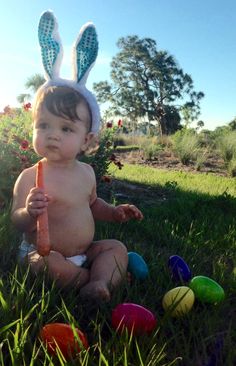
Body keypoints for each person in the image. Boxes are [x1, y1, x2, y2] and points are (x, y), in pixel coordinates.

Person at [11, 11, 143, 302]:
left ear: (87, 139)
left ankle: (96, 280)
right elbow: (16, 220)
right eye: (43, 125)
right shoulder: (30, 176)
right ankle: (95, 282)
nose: (53, 134)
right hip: (46, 254)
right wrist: (28, 213)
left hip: (84, 251)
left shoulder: (86, 173)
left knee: (115, 248)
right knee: (40, 264)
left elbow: (93, 204)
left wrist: (113, 212)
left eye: (66, 128)